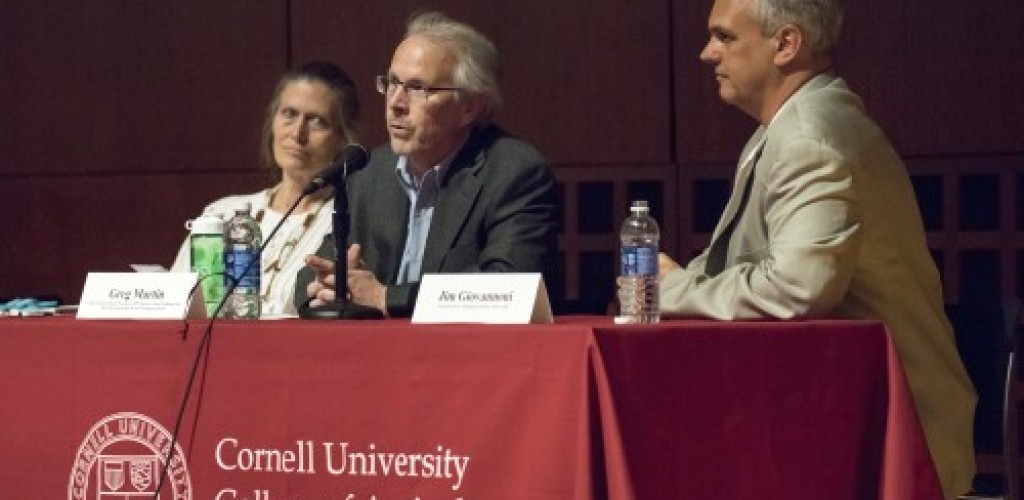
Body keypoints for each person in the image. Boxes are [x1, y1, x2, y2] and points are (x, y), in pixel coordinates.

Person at [657, 0, 976, 497]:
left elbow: (796, 287)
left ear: (785, 44)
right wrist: (680, 283)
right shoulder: (789, 125)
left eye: (725, 37)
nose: (706, 53)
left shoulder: (810, 137)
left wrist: (671, 290)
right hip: (840, 414)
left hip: (887, 431)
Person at [297, 12, 557, 318]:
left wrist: (385, 297)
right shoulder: (369, 172)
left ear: (470, 107)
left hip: (473, 357)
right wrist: (329, 285)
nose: (396, 102)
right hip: (377, 356)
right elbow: (312, 271)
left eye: (418, 88)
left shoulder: (514, 172)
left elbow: (510, 288)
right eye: (392, 83)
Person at [171, 61, 361, 316]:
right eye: (289, 114)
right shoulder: (221, 214)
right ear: (272, 121)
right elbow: (174, 304)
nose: (297, 133)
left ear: (342, 139)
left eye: (317, 121)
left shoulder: (343, 222)